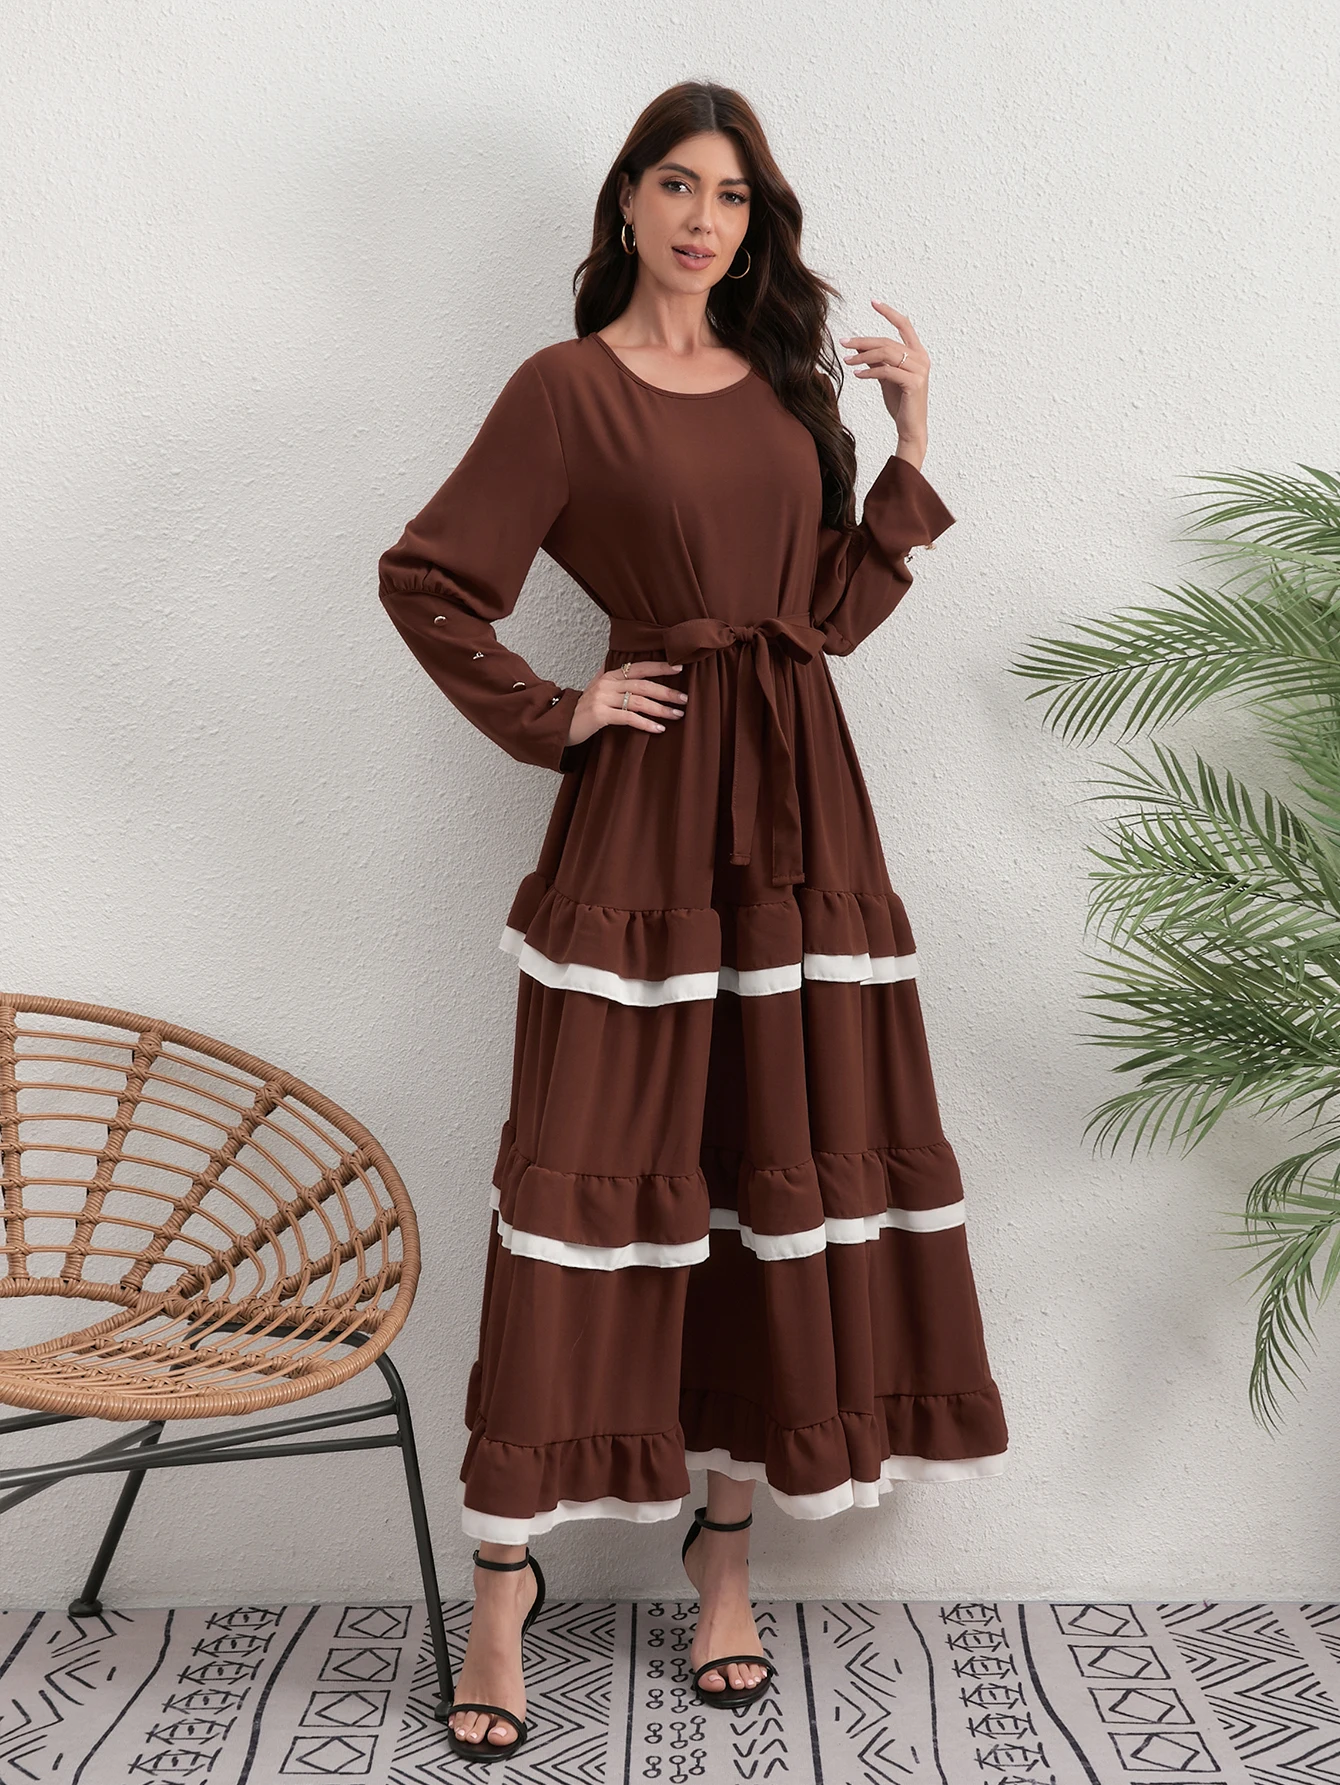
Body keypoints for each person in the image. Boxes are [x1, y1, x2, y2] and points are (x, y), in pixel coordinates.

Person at [378, 78, 1009, 1761]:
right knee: (582, 1175)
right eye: (676, 183)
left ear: (757, 222)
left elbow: (825, 619)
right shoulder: (565, 390)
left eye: (732, 194)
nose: (703, 218)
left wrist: (913, 448)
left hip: (802, 817)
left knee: (761, 1168)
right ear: (628, 201)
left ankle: (722, 1558)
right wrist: (558, 710)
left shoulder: (792, 391)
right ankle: (502, 1581)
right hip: (648, 820)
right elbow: (427, 579)